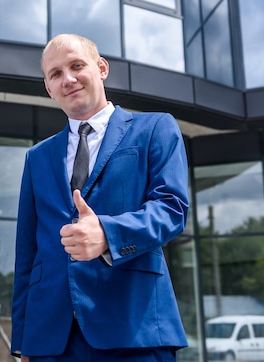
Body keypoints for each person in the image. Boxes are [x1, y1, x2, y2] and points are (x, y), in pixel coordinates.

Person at [11, 34, 189, 361]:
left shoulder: (155, 129)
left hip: (134, 328)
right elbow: (28, 252)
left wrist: (107, 235)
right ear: (49, 88)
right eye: (55, 74)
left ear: (101, 68)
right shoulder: (37, 157)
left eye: (77, 66)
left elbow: (172, 209)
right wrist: (23, 337)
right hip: (52, 338)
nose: (68, 79)